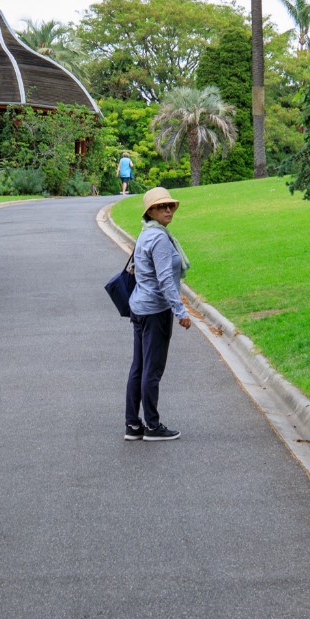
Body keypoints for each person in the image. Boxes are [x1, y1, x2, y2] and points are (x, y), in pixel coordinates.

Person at [126, 186, 191, 442]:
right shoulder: (159, 238)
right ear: (150, 211)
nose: (167, 210)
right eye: (161, 206)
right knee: (151, 370)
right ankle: (152, 426)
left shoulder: (146, 233)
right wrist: (180, 311)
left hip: (140, 308)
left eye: (170, 206)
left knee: (139, 368)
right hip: (155, 311)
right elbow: (165, 279)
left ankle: (133, 425)